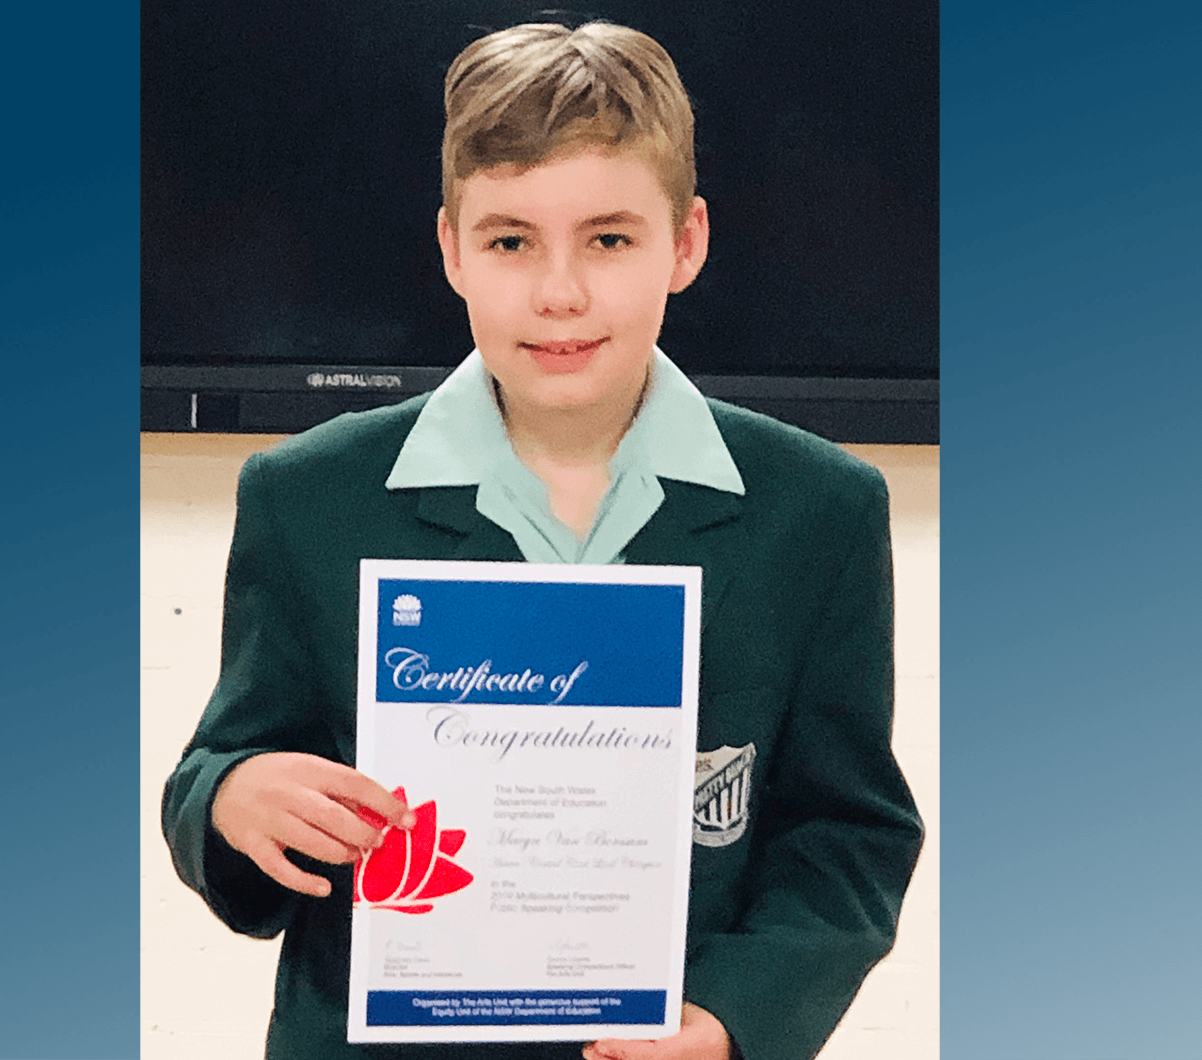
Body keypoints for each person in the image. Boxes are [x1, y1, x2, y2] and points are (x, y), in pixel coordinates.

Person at [163, 21, 922, 1060]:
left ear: (685, 243)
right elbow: (224, 763)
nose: (558, 291)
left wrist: (737, 1017)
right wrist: (230, 798)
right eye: (511, 240)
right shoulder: (308, 496)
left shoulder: (819, 508)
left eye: (608, 239)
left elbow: (845, 830)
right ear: (451, 249)